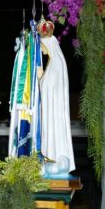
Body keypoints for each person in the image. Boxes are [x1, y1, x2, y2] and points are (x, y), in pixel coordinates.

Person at [37, 19, 75, 173]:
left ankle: (53, 158)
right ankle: (50, 158)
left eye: (42, 46)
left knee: (54, 134)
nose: (42, 50)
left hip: (55, 111)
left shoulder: (56, 62)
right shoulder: (56, 61)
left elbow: (49, 86)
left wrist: (41, 79)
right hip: (53, 110)